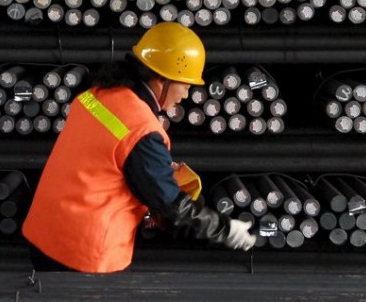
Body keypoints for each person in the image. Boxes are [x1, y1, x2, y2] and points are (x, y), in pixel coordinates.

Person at [23, 22, 256, 273]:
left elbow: (101, 158)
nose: (187, 95)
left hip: (44, 235)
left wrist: (153, 170)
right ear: (162, 80)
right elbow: (172, 210)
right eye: (186, 86)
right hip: (82, 254)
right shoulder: (142, 131)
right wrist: (225, 229)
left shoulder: (96, 95)